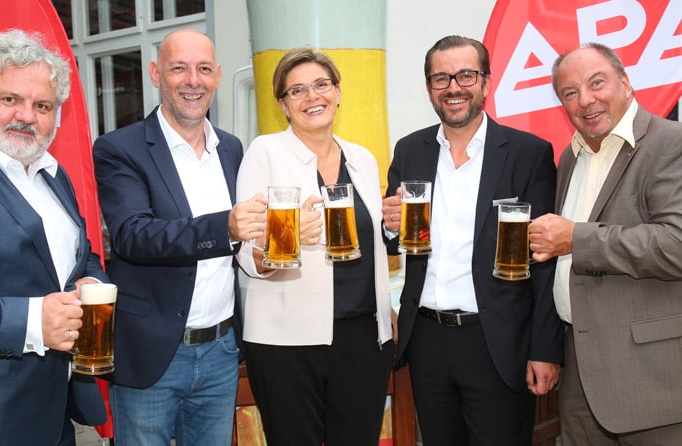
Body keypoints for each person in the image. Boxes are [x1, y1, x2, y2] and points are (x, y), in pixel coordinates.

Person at [382, 35, 564, 446]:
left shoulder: (527, 153)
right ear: (429, 88)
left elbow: (545, 261)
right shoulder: (410, 149)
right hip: (427, 339)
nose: (453, 88)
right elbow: (396, 242)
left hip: (497, 341)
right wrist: (390, 226)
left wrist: (545, 348)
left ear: (486, 82)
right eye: (441, 78)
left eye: (466, 75)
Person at [0, 30, 108, 445]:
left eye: (42, 106)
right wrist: (32, 321)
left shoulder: (51, 172)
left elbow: (79, 259)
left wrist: (92, 283)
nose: (27, 116)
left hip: (54, 412)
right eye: (10, 99)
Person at [92, 29, 265, 446]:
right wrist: (224, 227)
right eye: (179, 69)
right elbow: (134, 235)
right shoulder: (120, 148)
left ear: (218, 76)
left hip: (221, 351)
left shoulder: (232, 149)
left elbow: (244, 244)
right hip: (152, 355)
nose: (193, 80)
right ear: (156, 74)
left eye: (204, 69)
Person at [235, 48, 394, 445]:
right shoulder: (265, 152)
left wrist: (385, 304)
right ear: (283, 106)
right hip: (286, 341)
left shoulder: (362, 158)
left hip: (362, 336)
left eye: (322, 85)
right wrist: (287, 239)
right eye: (297, 90)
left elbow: (369, 245)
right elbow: (246, 253)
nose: (312, 97)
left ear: (338, 92)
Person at [529, 43, 682, 444]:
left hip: (651, 380)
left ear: (626, 84)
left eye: (597, 83)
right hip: (581, 375)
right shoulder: (570, 158)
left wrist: (576, 239)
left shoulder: (671, 143)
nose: (586, 100)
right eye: (570, 92)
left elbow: (676, 244)